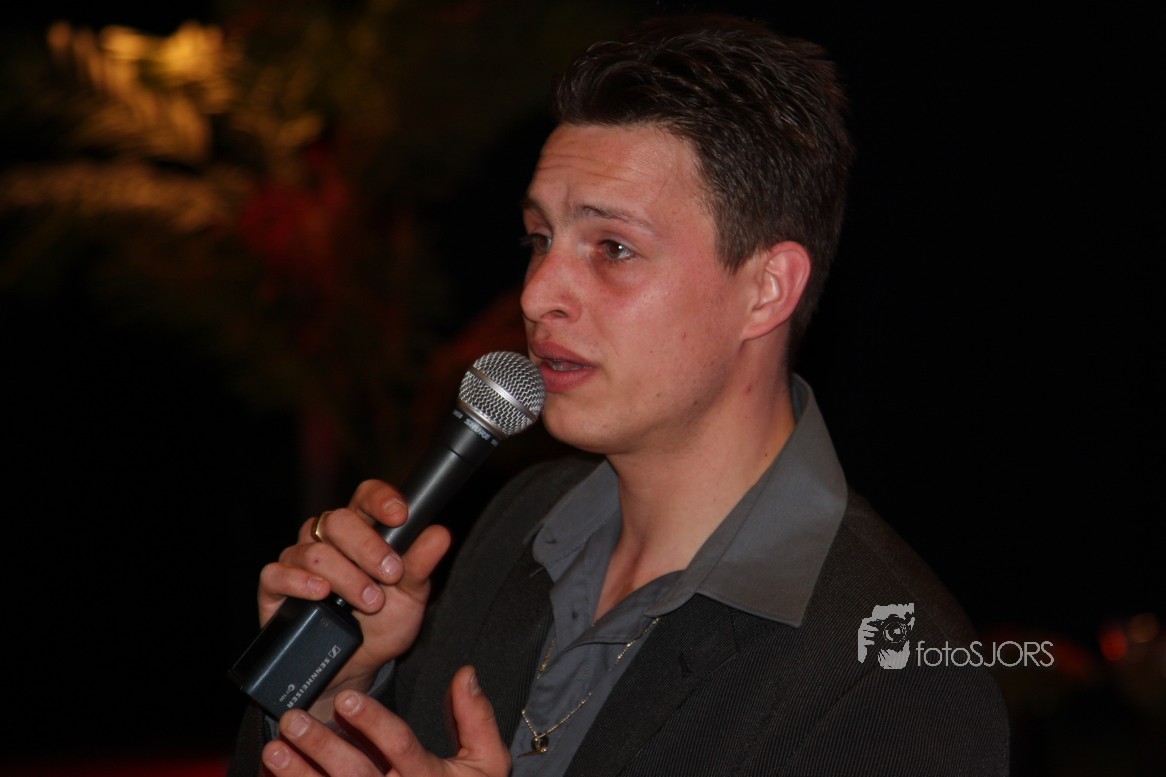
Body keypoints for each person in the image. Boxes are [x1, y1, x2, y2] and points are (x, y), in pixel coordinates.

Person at [229, 13, 1009, 776]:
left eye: (613, 247)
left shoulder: (892, 678)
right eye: (540, 239)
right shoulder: (518, 525)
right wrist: (332, 694)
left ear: (767, 289)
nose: (537, 294)